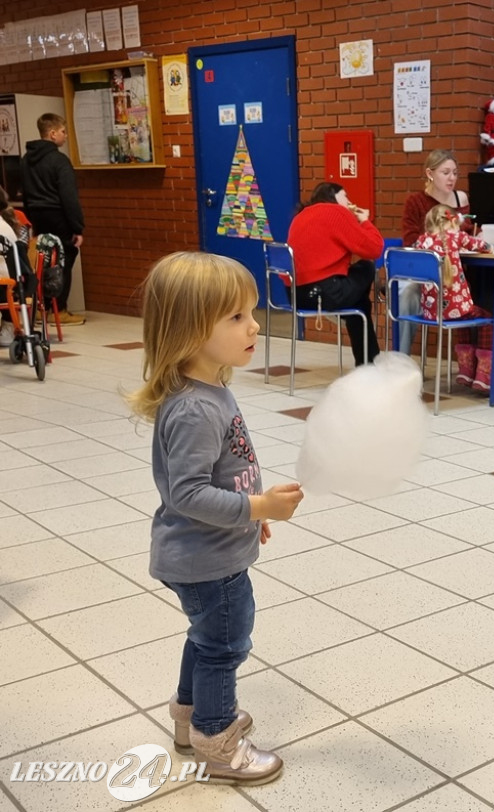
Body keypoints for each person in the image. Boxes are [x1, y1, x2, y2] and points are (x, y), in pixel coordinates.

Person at [125, 251, 304, 784]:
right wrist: (257, 507)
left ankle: (190, 721)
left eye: (250, 312)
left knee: (205, 638)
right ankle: (218, 742)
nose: (254, 326)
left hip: (210, 549)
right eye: (235, 317)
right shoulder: (196, 408)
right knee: (225, 645)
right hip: (205, 560)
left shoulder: (210, 388)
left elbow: (222, 478)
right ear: (188, 328)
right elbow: (188, 495)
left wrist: (249, 516)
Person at [287, 182, 383, 365]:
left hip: (295, 295)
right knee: (367, 267)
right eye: (345, 196)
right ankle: (369, 365)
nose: (349, 202)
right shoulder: (337, 212)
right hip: (324, 293)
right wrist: (364, 221)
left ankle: (369, 362)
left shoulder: (300, 216)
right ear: (334, 197)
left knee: (360, 304)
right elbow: (375, 248)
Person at [413, 204, 494, 391]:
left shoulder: (421, 241)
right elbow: (483, 246)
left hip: (431, 312)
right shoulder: (457, 237)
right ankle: (483, 374)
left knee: (460, 316)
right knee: (488, 319)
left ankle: (465, 371)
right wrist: (490, 246)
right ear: (453, 222)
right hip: (456, 310)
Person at [400, 149, 472, 354]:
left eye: (455, 173)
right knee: (408, 294)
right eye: (446, 172)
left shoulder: (461, 199)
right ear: (430, 173)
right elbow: (411, 241)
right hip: (425, 272)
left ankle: (478, 364)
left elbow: (468, 234)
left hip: (457, 272)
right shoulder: (416, 201)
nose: (452, 178)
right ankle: (401, 358)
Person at [21, 113, 86, 325]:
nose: (65, 136)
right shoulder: (59, 161)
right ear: (52, 133)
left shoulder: (25, 161)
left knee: (42, 262)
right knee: (63, 260)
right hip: (59, 216)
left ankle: (41, 307)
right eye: (63, 132)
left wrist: (32, 220)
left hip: (37, 217)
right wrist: (77, 227)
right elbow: (69, 197)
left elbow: (25, 193)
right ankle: (60, 308)